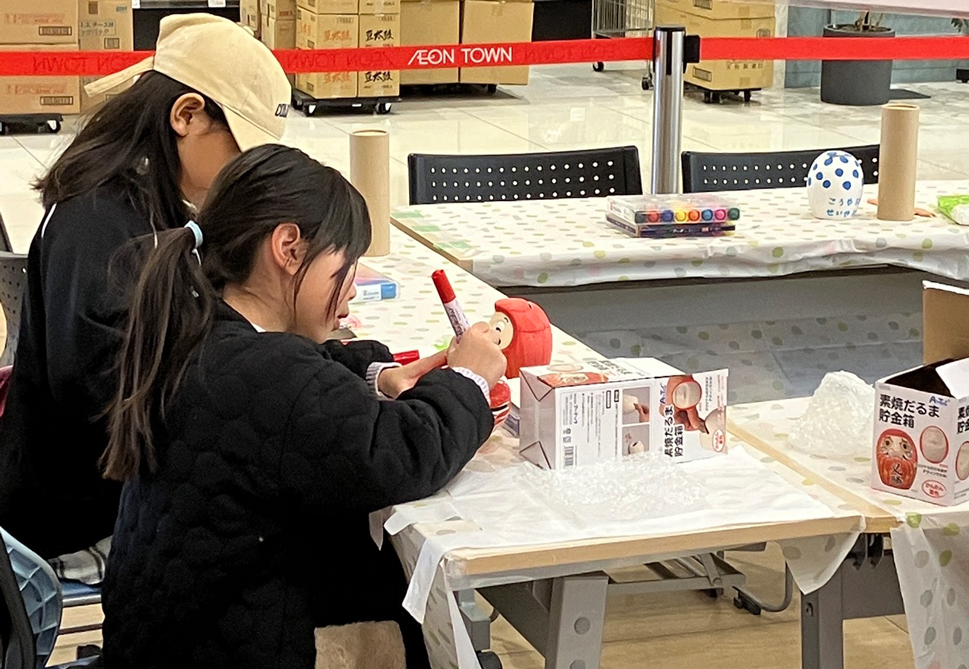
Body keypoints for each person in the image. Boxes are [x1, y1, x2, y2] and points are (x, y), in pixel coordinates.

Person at [100, 145, 506, 669]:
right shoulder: (270, 373)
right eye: (345, 264)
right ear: (289, 248)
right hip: (239, 643)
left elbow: (302, 384)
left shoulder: (192, 325)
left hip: (170, 636)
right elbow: (402, 454)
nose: (353, 289)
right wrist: (468, 378)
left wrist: (375, 373)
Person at [0, 14, 292, 570]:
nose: (240, 177)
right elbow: (113, 393)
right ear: (186, 115)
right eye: (241, 155)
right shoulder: (96, 225)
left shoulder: (146, 202)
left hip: (113, 485)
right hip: (81, 516)